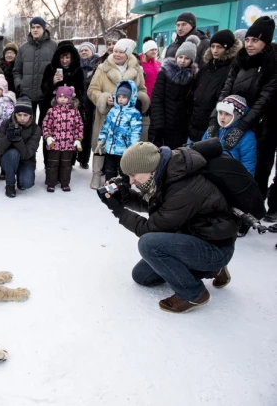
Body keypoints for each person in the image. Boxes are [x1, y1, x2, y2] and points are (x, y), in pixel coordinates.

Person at [99, 141, 238, 313]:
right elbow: (157, 207)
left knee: (149, 244)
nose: (132, 181)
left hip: (214, 246)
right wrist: (124, 198)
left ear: (150, 167)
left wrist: (118, 210)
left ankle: (194, 294)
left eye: (134, 175)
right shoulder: (167, 172)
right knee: (142, 276)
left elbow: (150, 229)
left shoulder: (185, 186)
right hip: (192, 236)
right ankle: (212, 270)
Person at [212, 16, 277, 201]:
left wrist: (242, 126)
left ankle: (254, 207)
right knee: (232, 165)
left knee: (258, 168)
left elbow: (264, 99)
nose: (249, 44)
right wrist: (214, 117)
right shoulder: (240, 61)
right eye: (247, 39)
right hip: (232, 121)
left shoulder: (272, 64)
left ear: (265, 42)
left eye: (255, 40)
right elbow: (226, 90)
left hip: (262, 127)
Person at [87, 38, 150, 190]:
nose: (117, 54)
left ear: (127, 54)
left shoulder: (137, 70)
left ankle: (125, 178)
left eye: (121, 52)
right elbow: (92, 89)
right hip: (106, 115)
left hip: (127, 117)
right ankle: (96, 175)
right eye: (115, 51)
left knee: (124, 147)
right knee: (100, 145)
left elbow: (142, 90)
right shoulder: (103, 68)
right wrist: (102, 98)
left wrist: (135, 100)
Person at [188, 30, 241, 143]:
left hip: (213, 127)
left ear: (228, 49)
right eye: (213, 46)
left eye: (219, 47)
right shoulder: (205, 68)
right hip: (194, 125)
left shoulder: (231, 70)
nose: (215, 50)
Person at [149, 37, 198, 149]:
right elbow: (157, 98)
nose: (182, 60)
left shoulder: (192, 78)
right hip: (161, 124)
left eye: (187, 58)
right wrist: (158, 124)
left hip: (180, 127)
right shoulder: (164, 73)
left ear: (191, 61)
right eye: (180, 57)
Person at [40, 40, 84, 166]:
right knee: (49, 136)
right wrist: (52, 81)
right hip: (52, 110)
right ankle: (49, 165)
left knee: (69, 136)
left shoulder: (78, 70)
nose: (64, 60)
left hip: (70, 111)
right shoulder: (50, 68)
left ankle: (67, 165)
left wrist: (76, 96)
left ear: (72, 57)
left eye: (67, 57)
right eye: (62, 57)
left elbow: (82, 90)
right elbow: (43, 89)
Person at [0, 94, 42, 198]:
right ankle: (10, 184)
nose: (22, 118)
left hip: (26, 160)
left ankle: (21, 177)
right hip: (8, 158)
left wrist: (18, 140)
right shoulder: (6, 123)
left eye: (25, 115)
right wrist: (8, 137)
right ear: (15, 113)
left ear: (31, 115)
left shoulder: (35, 129)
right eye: (19, 114)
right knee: (13, 153)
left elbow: (27, 154)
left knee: (27, 183)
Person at [13, 17, 57, 125]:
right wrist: (20, 85)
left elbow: (58, 68)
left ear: (44, 29)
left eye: (38, 27)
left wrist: (54, 85)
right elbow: (16, 71)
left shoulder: (54, 46)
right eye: (32, 27)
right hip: (27, 94)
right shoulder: (23, 48)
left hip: (46, 94)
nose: (35, 30)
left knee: (46, 127)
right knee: (27, 127)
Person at [95, 81, 142, 182]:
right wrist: (101, 140)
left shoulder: (134, 114)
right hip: (110, 149)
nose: (120, 99)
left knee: (123, 173)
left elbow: (135, 133)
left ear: (130, 97)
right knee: (109, 171)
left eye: (124, 97)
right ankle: (109, 192)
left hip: (124, 150)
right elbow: (105, 127)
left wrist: (132, 148)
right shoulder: (112, 111)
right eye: (119, 96)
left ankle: (123, 192)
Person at [41, 86, 83, 192]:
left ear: (70, 98)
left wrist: (78, 138)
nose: (62, 99)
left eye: (65, 97)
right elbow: (46, 124)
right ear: (56, 98)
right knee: (52, 164)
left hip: (68, 144)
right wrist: (48, 136)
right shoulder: (51, 111)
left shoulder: (74, 111)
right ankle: (51, 183)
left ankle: (65, 183)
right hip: (54, 144)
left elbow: (79, 125)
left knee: (66, 165)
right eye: (60, 96)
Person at [202, 95, 256, 175]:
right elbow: (200, 151)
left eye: (227, 114)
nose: (222, 117)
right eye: (220, 113)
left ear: (237, 115)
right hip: (207, 175)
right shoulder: (212, 129)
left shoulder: (247, 137)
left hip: (229, 178)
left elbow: (248, 165)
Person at [78, 42, 100, 168]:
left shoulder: (98, 66)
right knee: (77, 129)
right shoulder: (77, 66)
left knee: (88, 131)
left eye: (86, 50)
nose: (84, 52)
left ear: (92, 51)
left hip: (93, 102)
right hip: (79, 102)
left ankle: (83, 159)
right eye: (82, 51)